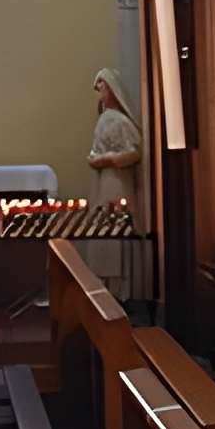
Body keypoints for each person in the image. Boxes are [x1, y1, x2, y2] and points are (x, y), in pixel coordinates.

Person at [86, 67, 144, 301]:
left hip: (116, 182)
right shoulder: (105, 118)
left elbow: (133, 152)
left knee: (116, 229)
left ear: (112, 89)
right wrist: (95, 159)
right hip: (105, 182)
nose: (99, 89)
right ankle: (107, 288)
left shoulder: (119, 121)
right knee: (105, 229)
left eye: (102, 84)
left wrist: (106, 159)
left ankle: (120, 290)